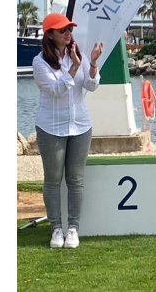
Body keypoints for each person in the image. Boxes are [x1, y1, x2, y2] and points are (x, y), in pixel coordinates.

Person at [33, 12, 104, 249]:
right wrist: (73, 67)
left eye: (69, 29)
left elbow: (91, 86)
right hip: (51, 127)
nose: (68, 33)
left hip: (81, 126)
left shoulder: (79, 55)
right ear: (50, 34)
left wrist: (92, 63)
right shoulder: (39, 62)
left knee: (76, 179)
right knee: (53, 180)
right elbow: (56, 90)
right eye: (62, 30)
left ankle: (73, 229)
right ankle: (56, 228)